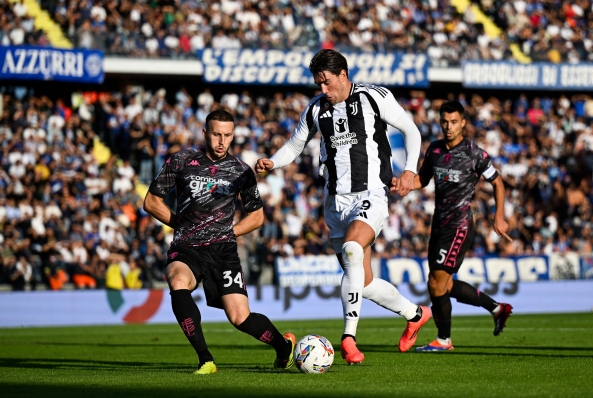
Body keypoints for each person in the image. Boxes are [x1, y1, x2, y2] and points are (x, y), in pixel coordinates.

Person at [256, 49, 431, 365]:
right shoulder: (316, 109)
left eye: (326, 82)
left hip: (371, 193)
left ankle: (348, 339)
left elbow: (411, 130)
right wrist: (273, 161)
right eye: (318, 83)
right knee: (361, 281)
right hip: (334, 203)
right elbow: (295, 145)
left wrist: (410, 170)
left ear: (343, 75)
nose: (323, 90)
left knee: (352, 249)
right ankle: (415, 313)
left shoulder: (373, 97)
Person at [144, 110, 295, 374]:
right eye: (216, 134)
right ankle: (206, 359)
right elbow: (151, 202)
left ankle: (284, 348)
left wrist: (229, 233)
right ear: (205, 133)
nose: (221, 140)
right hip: (186, 248)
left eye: (227, 135)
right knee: (178, 282)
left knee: (239, 317)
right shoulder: (181, 161)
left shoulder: (241, 171)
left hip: (223, 251)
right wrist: (180, 225)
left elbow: (257, 217)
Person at [396, 100, 513, 352]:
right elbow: (423, 180)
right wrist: (405, 184)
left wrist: (499, 216)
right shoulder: (435, 150)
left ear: (463, 123)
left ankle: (444, 340)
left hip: (459, 226)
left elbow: (498, 182)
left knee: (437, 284)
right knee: (441, 284)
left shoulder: (474, 153)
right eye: (444, 122)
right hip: (438, 225)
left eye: (454, 122)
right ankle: (497, 308)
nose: (448, 127)